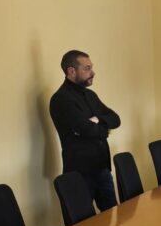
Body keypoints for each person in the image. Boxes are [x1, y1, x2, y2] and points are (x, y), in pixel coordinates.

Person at [50, 50, 121, 211]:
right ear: (71, 71)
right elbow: (85, 129)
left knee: (113, 218)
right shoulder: (61, 99)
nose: (93, 72)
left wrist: (97, 120)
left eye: (91, 67)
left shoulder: (90, 95)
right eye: (87, 68)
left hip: (102, 168)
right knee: (83, 223)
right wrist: (104, 130)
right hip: (79, 173)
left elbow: (116, 119)